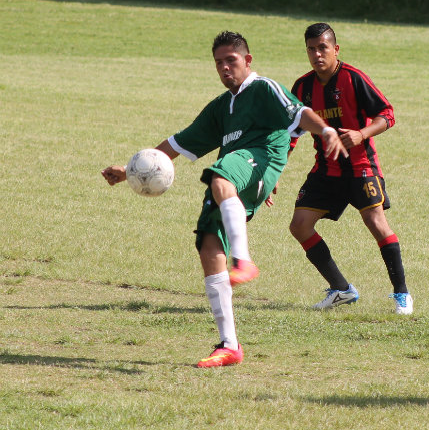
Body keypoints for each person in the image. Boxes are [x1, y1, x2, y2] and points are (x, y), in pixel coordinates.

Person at [102, 31, 347, 367]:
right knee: (207, 245)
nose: (224, 67)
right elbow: (177, 143)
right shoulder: (221, 106)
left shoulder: (263, 89)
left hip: (260, 160)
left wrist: (327, 130)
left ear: (247, 61)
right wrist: (130, 169)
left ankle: (244, 261)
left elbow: (300, 113)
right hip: (237, 170)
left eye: (231, 60)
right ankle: (229, 345)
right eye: (218, 62)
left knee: (220, 177)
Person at [284, 22, 413, 314]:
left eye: (323, 48)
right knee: (300, 225)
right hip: (325, 171)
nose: (317, 54)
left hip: (360, 167)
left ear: (335, 49)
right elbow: (291, 132)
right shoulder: (302, 87)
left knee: (376, 223)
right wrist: (274, 170)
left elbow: (387, 114)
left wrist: (361, 134)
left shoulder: (354, 79)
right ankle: (342, 290)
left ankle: (401, 294)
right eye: (311, 49)